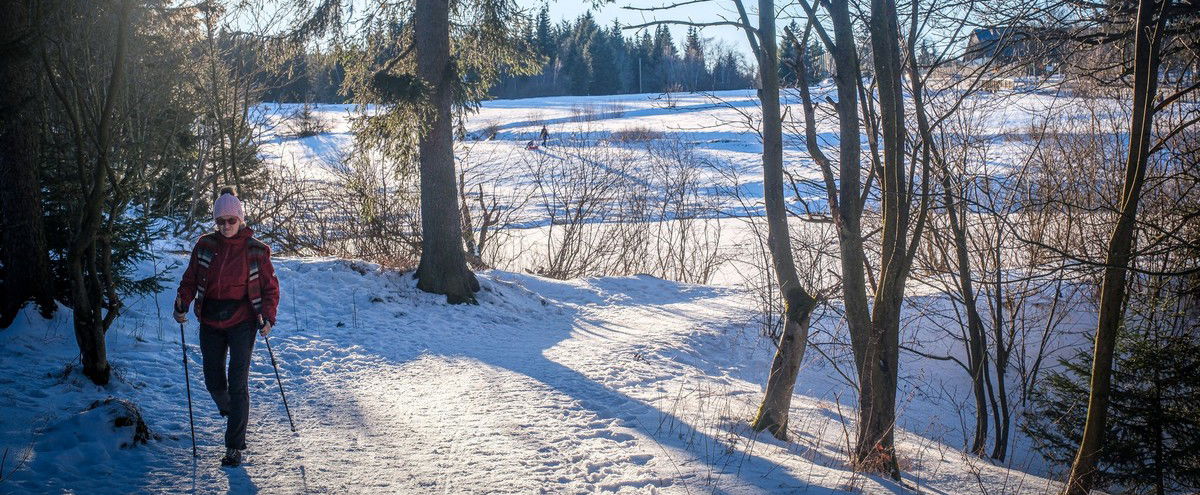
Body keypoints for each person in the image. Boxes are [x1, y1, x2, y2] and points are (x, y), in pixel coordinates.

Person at [174, 186, 280, 467]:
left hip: (243, 321)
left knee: (237, 381)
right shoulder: (205, 245)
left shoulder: (256, 250)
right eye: (220, 221)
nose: (225, 226)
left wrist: (268, 316)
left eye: (230, 220)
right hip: (209, 319)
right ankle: (237, 415)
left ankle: (234, 446)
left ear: (240, 220)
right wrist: (182, 302)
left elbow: (270, 288)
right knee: (213, 380)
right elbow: (190, 278)